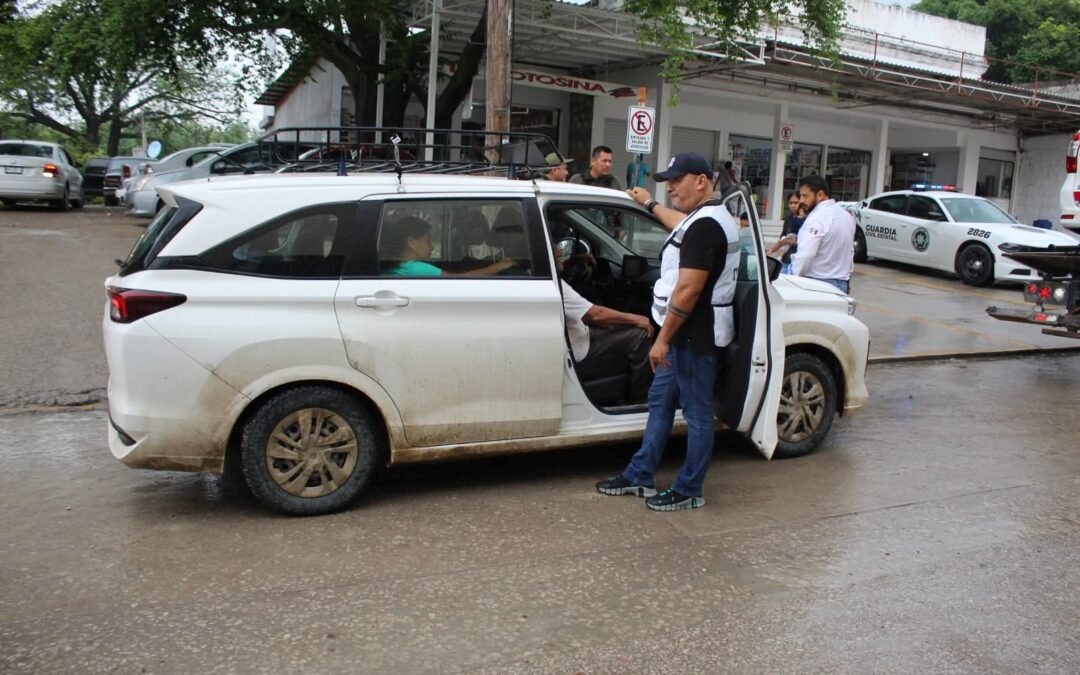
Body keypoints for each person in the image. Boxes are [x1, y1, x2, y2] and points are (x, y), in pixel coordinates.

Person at [596, 152, 740, 512]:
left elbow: (689, 291)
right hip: (683, 335)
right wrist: (650, 205)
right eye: (668, 181)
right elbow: (680, 223)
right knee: (660, 402)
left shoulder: (705, 227)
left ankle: (690, 488)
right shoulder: (707, 218)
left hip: (693, 335)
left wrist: (661, 340)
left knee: (697, 413)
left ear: (702, 181)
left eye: (677, 180)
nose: (671, 186)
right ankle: (640, 474)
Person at [557, 247, 655, 402]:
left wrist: (572, 262)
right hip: (579, 344)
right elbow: (595, 315)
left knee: (615, 323)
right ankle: (640, 401)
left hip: (578, 332)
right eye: (552, 249)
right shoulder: (556, 285)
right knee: (640, 335)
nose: (558, 252)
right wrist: (637, 319)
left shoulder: (532, 273)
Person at [382, 216, 516, 276]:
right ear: (412, 242)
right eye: (428, 241)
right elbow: (458, 281)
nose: (432, 247)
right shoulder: (416, 269)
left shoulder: (396, 266)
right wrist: (498, 266)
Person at [790, 175, 856, 293]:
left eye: (805, 196)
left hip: (817, 284)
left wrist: (792, 277)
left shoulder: (816, 218)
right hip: (842, 283)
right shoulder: (846, 216)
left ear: (820, 194)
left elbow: (806, 254)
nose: (801, 201)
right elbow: (850, 252)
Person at [767, 193, 806, 274]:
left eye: (795, 203)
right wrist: (771, 251)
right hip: (785, 260)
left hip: (798, 262)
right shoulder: (788, 218)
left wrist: (786, 241)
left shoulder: (806, 219)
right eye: (791, 203)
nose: (792, 205)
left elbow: (803, 240)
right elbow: (783, 237)